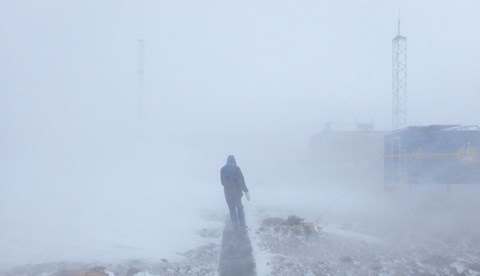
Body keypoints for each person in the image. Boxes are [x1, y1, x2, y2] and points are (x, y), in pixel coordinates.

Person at [220, 155, 250, 229]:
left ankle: (235, 226)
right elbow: (241, 180)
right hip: (237, 192)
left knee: (232, 209)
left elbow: (222, 182)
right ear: (234, 160)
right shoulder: (237, 168)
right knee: (239, 207)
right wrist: (245, 190)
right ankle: (242, 225)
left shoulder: (223, 169)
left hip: (228, 193)